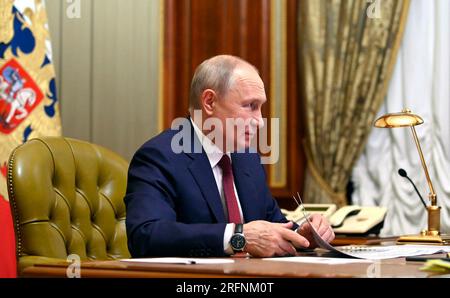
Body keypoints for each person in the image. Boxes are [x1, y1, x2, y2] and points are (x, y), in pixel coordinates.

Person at [125, 55, 334, 258]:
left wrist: (303, 236)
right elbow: (146, 236)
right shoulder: (159, 157)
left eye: (261, 108)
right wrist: (238, 237)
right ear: (209, 102)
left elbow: (273, 224)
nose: (260, 121)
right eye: (250, 106)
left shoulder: (248, 159)